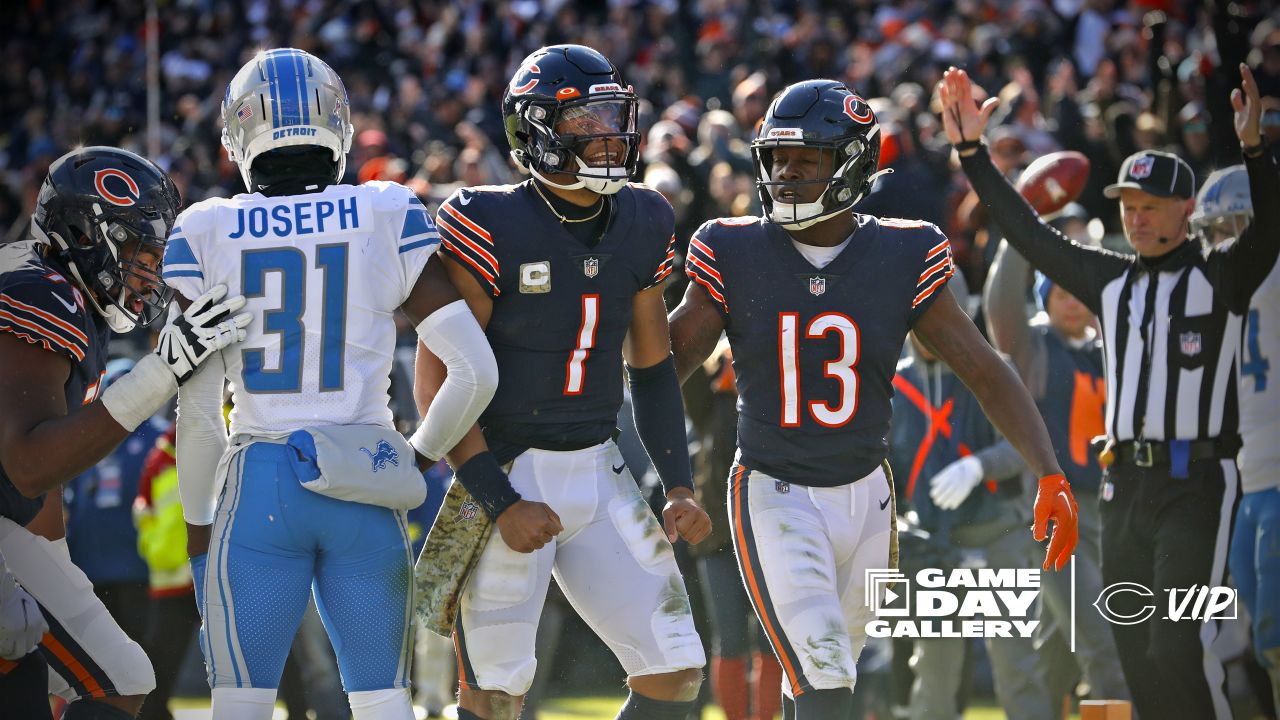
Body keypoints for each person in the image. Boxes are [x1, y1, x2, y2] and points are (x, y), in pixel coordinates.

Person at [667, 79, 1080, 719]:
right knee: (823, 669)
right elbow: (664, 364)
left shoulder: (903, 250)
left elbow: (983, 368)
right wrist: (631, 305)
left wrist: (1050, 472)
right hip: (775, 489)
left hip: (869, 495)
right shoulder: (732, 246)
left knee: (832, 674)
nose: (785, 173)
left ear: (853, 163)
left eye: (806, 159)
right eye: (777, 157)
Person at [165, 48, 498, 720]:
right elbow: (475, 372)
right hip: (363, 478)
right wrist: (413, 458)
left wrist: (200, 528)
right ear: (335, 124)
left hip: (257, 484)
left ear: (240, 132)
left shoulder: (205, 228)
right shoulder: (384, 210)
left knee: (240, 705)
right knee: (382, 704)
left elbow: (199, 417)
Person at [940, 63, 1278, 720]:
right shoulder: (1111, 281)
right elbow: (1027, 232)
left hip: (1197, 482)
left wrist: (1256, 153)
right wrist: (972, 154)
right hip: (1124, 486)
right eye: (1129, 207)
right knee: (1133, 652)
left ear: (1187, 211)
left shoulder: (1221, 280)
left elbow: (1268, 231)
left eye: (1151, 207)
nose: (1138, 218)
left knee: (1177, 646)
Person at [414, 44, 710, 720]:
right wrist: (496, 498)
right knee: (495, 692)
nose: (609, 135)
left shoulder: (642, 218)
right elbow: (436, 382)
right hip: (503, 470)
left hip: (598, 468)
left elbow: (654, 368)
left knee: (675, 666)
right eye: (586, 122)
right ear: (538, 130)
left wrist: (679, 484)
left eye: (614, 116)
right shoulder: (489, 220)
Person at [0, 145, 249, 719]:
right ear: (86, 234)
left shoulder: (66, 296)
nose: (152, 269)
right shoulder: (39, 291)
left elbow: (37, 486)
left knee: (116, 673)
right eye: (141, 248)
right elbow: (28, 462)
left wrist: (57, 568)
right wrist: (161, 373)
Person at [889, 273, 1055, 720]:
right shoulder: (891, 383)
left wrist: (978, 466)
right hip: (928, 545)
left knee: (1017, 666)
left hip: (998, 533)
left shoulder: (995, 368)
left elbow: (1023, 446)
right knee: (934, 672)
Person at [983, 237, 1129, 706]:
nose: (1073, 304)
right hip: (1052, 517)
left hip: (1106, 514)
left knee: (1060, 653)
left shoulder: (1106, 352)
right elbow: (1002, 302)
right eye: (1061, 294)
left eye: (1080, 295)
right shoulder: (1033, 346)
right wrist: (1017, 236)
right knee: (1103, 642)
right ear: (1045, 299)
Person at [1192, 164, 1280, 712]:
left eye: (1228, 229)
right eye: (1212, 232)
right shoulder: (1218, 288)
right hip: (1247, 475)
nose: (1217, 244)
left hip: (1276, 474)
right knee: (1262, 639)